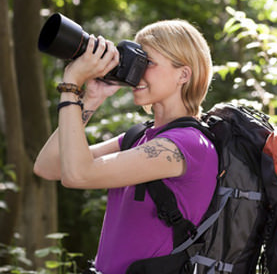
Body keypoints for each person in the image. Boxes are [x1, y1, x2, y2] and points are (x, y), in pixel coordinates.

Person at [34, 19, 218, 274]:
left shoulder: (188, 146)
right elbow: (49, 167)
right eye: (136, 60)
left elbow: (78, 174)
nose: (138, 71)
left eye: (149, 63)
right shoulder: (139, 137)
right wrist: (90, 98)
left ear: (183, 74)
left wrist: (71, 86)